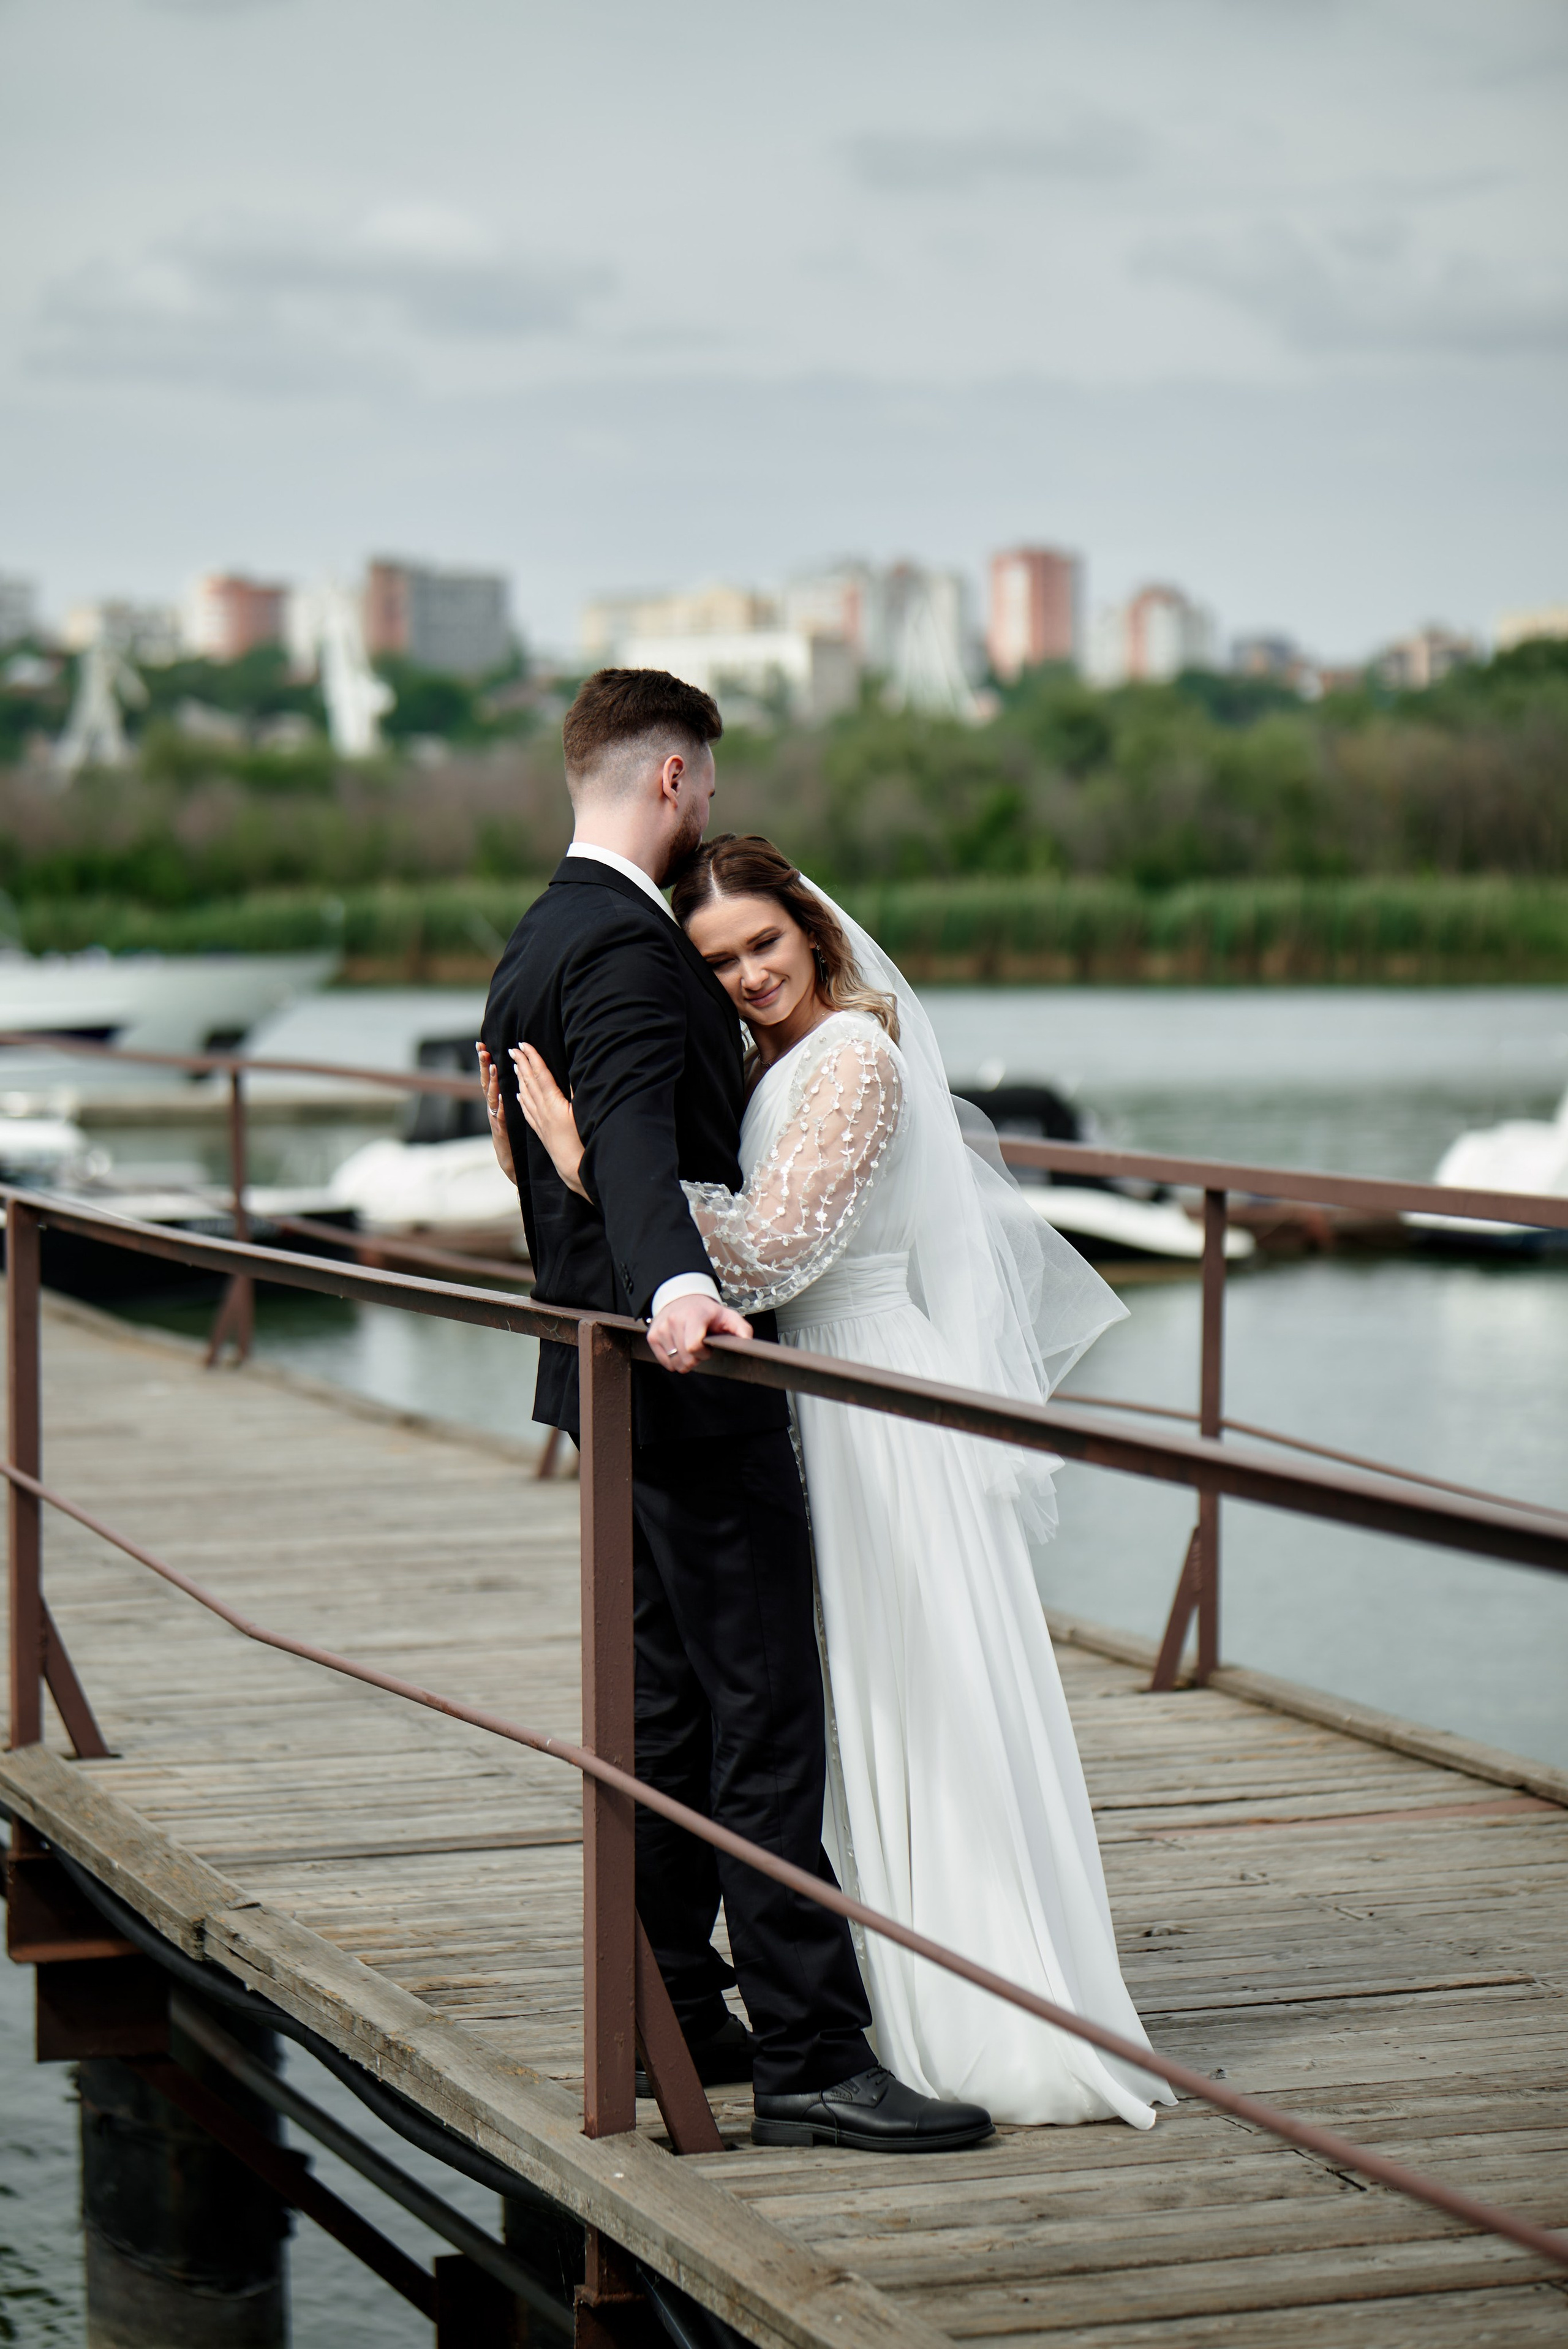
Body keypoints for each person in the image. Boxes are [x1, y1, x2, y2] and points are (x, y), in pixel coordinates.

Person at [502, 828, 1176, 2131]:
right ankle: (846, 1988)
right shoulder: (770, 1062)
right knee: (833, 1700)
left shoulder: (856, 1059)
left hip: (868, 1393)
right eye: (720, 960)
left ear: (810, 929)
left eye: (763, 943)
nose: (749, 974)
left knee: (907, 1686)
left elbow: (766, 1253)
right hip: (803, 1395)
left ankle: (972, 1999)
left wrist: (592, 1167)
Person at [478, 668, 993, 2154]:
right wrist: (678, 1289)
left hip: (607, 1383)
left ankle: (674, 2015)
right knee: (760, 1714)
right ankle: (814, 2057)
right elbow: (632, 1146)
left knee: (668, 1715)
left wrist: (618, 1252)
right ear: (671, 781)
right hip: (689, 1382)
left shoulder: (535, 942)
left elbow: (562, 1148)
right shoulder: (629, 953)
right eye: (704, 780)